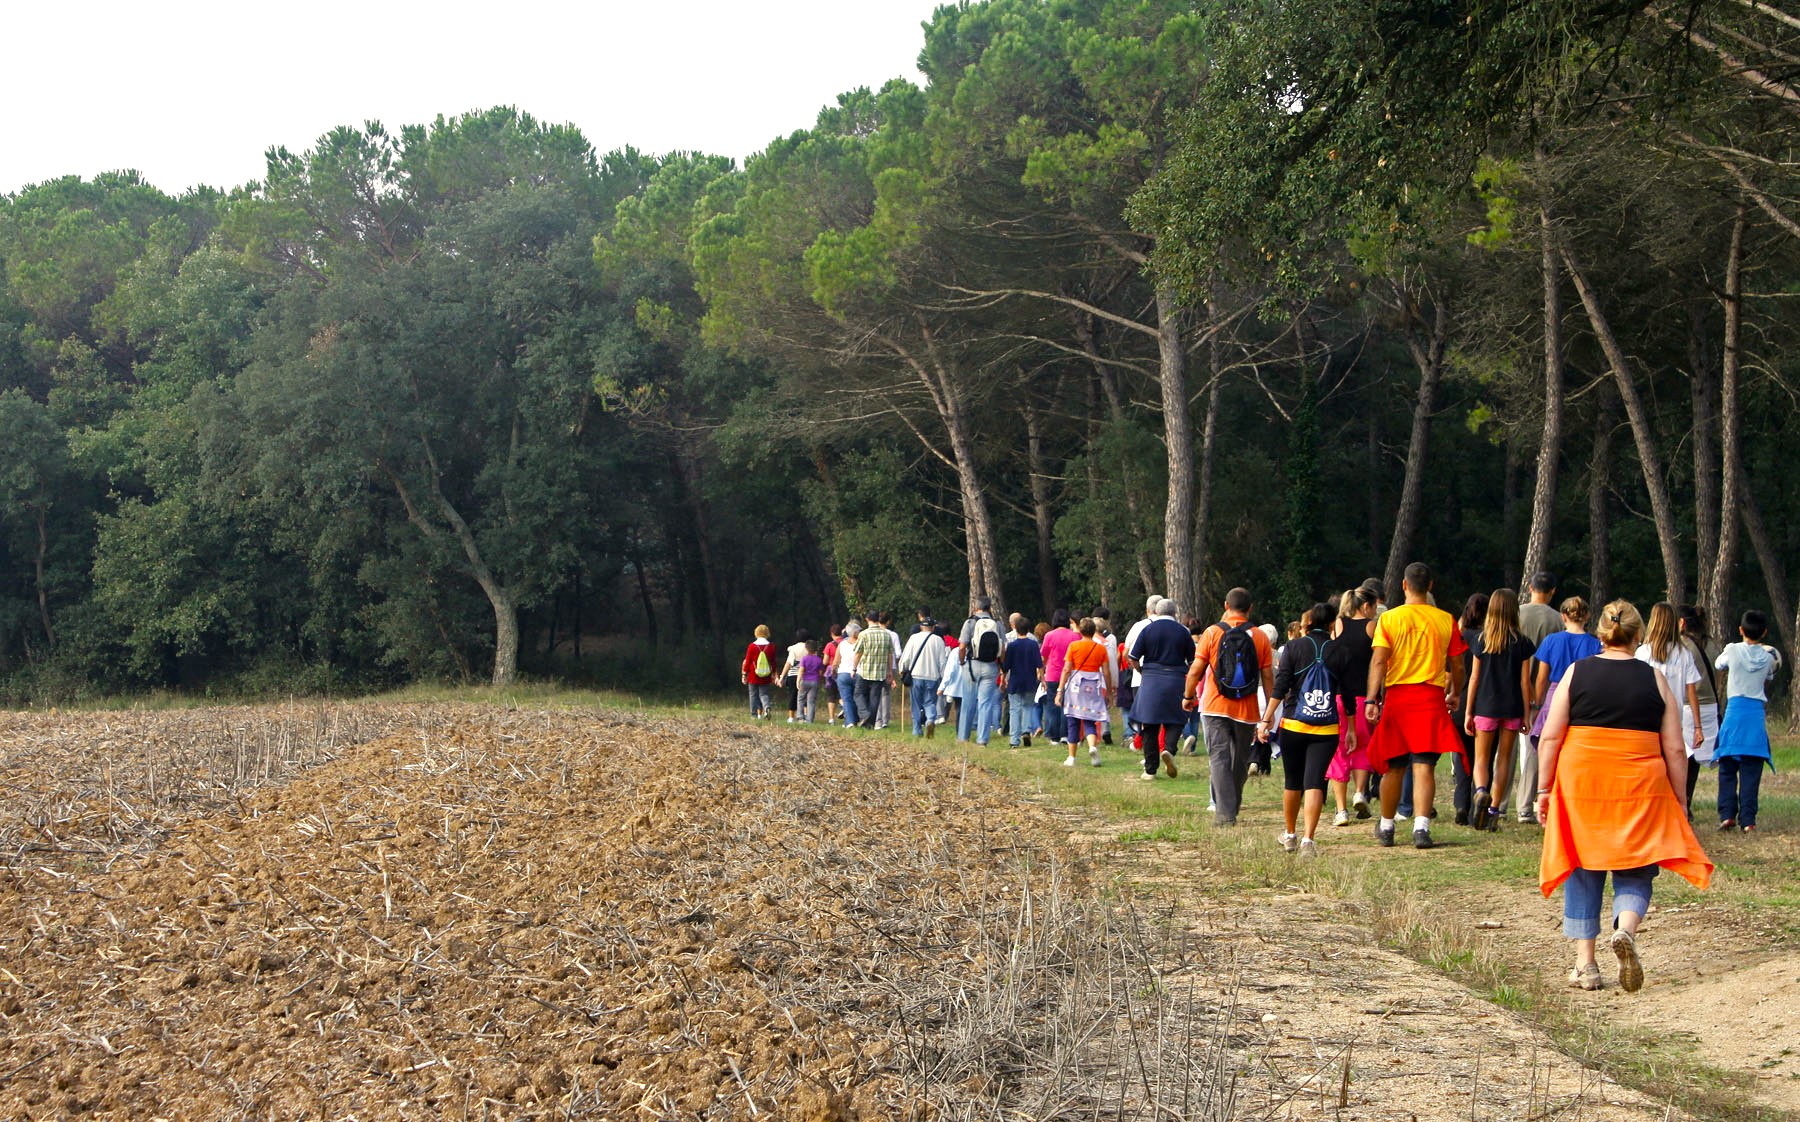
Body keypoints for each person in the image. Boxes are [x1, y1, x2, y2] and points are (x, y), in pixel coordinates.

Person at [1537, 599, 1712, 992]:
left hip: (1583, 781)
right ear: (1639, 636)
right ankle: (1627, 929)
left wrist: (1544, 789)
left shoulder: (1576, 672)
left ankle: (1586, 964)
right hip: (1640, 783)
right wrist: (1679, 800)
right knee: (1637, 864)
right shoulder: (1654, 679)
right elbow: (1675, 749)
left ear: (1602, 633)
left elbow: (1550, 735)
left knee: (1584, 865)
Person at [1364, 562, 1467, 850]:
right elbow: (1457, 665)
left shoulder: (1390, 619)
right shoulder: (1446, 619)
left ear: (1404, 585)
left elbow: (1379, 661)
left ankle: (1386, 825)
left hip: (1398, 698)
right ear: (1430, 586)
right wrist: (1456, 692)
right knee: (1424, 765)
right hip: (1431, 697)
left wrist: (1372, 698)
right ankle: (1421, 827)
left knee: (1394, 766)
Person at [1259, 600, 1355, 856]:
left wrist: (1267, 718)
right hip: (1326, 728)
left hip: (1294, 722)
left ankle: (1290, 834)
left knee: (1292, 782)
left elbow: (1281, 686)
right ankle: (1308, 841)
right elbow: (1347, 694)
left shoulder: (1293, 646)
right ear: (1333, 624)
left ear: (1308, 622)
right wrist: (1352, 728)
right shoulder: (1341, 651)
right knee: (1314, 781)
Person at [1188, 588, 1276, 824]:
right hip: (1246, 708)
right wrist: (1269, 710)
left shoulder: (1212, 632)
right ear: (1251, 608)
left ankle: (1225, 814)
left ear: (1226, 605)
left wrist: (1188, 696)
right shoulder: (1260, 637)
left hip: (1215, 704)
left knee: (1218, 757)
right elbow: (1267, 676)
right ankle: (1232, 805)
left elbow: (1197, 669)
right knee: (1240, 759)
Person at [1465, 589, 1538, 832]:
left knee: (1482, 759)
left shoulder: (1481, 640)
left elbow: (1474, 678)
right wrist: (1527, 714)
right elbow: (1524, 682)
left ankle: (1481, 791)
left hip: (1485, 705)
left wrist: (1468, 711)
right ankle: (1495, 809)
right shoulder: (1523, 643)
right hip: (1512, 707)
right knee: (1504, 759)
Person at [1714, 610, 1783, 832]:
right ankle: (1748, 820)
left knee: (1727, 769)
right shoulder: (1768, 657)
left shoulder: (1732, 650)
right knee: (1751, 772)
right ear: (1764, 632)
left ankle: (1727, 814)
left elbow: (1719, 664)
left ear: (1741, 630)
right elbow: (1770, 675)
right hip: (1755, 718)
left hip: (1734, 715)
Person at [1634, 603, 1703, 793]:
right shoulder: (1684, 654)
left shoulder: (1642, 652)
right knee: (1674, 759)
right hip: (1674, 718)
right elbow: (1691, 692)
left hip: (1647, 718)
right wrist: (1698, 726)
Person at [1327, 588, 1379, 826]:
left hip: (1338, 696)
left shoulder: (1339, 624)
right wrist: (1373, 697)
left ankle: (1341, 809)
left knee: (1339, 751)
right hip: (1362, 697)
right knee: (1362, 747)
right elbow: (1377, 663)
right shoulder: (1371, 627)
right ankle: (1359, 791)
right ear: (1366, 606)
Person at [1515, 572, 1561, 819]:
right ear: (1552, 591)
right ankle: (1525, 807)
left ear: (1530, 587)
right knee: (1533, 748)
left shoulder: (1517, 614)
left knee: (1506, 749)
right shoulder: (1557, 619)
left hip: (1513, 686)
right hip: (1542, 690)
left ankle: (1498, 805)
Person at [1130, 599, 1193, 781]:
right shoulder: (1183, 631)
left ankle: (1150, 770)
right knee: (1176, 719)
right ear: (1175, 613)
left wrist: (1141, 671)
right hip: (1175, 679)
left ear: (1156, 612)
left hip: (1151, 678)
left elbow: (1133, 656)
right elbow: (1192, 662)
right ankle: (1168, 749)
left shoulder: (1148, 629)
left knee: (1149, 724)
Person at [1530, 598, 1602, 748]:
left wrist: (1537, 706)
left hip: (1555, 693)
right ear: (1587, 616)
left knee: (1549, 741)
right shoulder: (1595, 645)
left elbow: (1541, 678)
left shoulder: (1551, 641)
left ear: (1563, 616)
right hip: (1583, 696)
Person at [1677, 605, 1722, 810]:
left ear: (1682, 623)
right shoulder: (1712, 644)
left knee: (1683, 757)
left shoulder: (1682, 645)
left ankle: (1681, 802)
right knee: (1695, 760)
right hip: (1710, 705)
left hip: (1688, 705)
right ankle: (1688, 799)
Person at [1451, 592, 1489, 825]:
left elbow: (1449, 673)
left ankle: (1461, 804)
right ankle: (1480, 799)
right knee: (1483, 758)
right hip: (1484, 702)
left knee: (1461, 757)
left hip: (1460, 699)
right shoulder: (1488, 639)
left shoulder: (1459, 636)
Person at [1058, 618, 1114, 766]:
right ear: (1093, 630)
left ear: (1081, 631)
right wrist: (1109, 691)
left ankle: (1072, 757)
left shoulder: (1074, 646)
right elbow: (1107, 672)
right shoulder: (1100, 648)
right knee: (1090, 719)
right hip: (1093, 685)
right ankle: (1092, 746)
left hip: (1076, 686)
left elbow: (1067, 669)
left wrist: (1059, 690)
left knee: (1073, 720)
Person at [958, 595, 1007, 745]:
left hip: (972, 665)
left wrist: (962, 662)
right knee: (985, 703)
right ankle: (982, 740)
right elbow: (1003, 648)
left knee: (968, 702)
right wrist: (1000, 665)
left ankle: (963, 737)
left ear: (976, 607)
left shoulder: (970, 622)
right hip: (990, 666)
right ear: (989, 607)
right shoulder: (997, 624)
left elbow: (962, 647)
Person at [898, 617, 948, 738]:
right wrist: (943, 677)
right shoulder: (939, 640)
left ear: (921, 627)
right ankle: (930, 719)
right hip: (933, 676)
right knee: (930, 702)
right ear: (933, 627)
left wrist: (902, 669)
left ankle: (917, 730)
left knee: (916, 703)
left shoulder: (913, 638)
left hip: (916, 675)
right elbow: (942, 662)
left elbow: (906, 657)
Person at [999, 614, 1043, 747]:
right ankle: (1026, 730)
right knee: (1028, 707)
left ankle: (1014, 739)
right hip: (1030, 680)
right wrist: (1043, 679)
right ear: (1028, 629)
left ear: (1016, 629)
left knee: (1014, 709)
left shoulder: (1012, 646)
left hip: (1015, 680)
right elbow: (1039, 664)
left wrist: (1002, 679)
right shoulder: (1033, 644)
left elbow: (1006, 666)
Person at [1039, 610, 1079, 745]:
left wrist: (1041, 672)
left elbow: (1043, 656)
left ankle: (1053, 735)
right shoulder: (1075, 636)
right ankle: (1065, 734)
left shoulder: (1049, 635)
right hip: (1069, 674)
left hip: (1052, 674)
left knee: (1052, 705)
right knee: (1066, 705)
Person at [853, 616, 897, 730]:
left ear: (867, 619)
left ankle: (864, 715)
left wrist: (854, 668)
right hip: (880, 672)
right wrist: (890, 671)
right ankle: (870, 723)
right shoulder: (886, 635)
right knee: (875, 698)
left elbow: (858, 652)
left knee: (858, 694)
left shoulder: (864, 634)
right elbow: (890, 654)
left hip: (865, 671)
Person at [742, 624, 778, 718]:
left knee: (753, 695)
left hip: (753, 674)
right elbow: (773, 661)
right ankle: (766, 707)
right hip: (766, 673)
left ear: (756, 633)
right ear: (767, 633)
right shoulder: (771, 646)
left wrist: (744, 674)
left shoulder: (752, 646)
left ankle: (754, 715)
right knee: (764, 693)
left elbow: (748, 661)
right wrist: (774, 673)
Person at [778, 628, 811, 723]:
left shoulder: (793, 648)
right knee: (805, 697)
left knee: (793, 696)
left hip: (793, 675)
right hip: (806, 676)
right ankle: (805, 716)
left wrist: (782, 676)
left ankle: (791, 717)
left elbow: (789, 663)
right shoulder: (809, 648)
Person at [834, 622, 862, 728]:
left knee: (846, 699)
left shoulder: (842, 644)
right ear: (855, 633)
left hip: (843, 674)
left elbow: (836, 661)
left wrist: (833, 670)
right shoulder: (861, 644)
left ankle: (850, 721)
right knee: (857, 698)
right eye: (859, 631)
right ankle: (855, 719)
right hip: (857, 673)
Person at [797, 640, 825, 723]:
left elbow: (801, 670)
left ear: (806, 648)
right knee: (811, 701)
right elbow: (820, 673)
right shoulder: (819, 660)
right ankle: (810, 719)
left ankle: (800, 717)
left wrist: (798, 680)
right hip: (814, 681)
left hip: (805, 680)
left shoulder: (804, 659)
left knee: (801, 699)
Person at [822, 624, 844, 723]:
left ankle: (831, 719)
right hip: (844, 670)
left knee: (831, 695)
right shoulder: (846, 643)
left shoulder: (830, 645)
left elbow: (825, 662)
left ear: (831, 633)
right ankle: (844, 706)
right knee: (842, 693)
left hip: (831, 672)